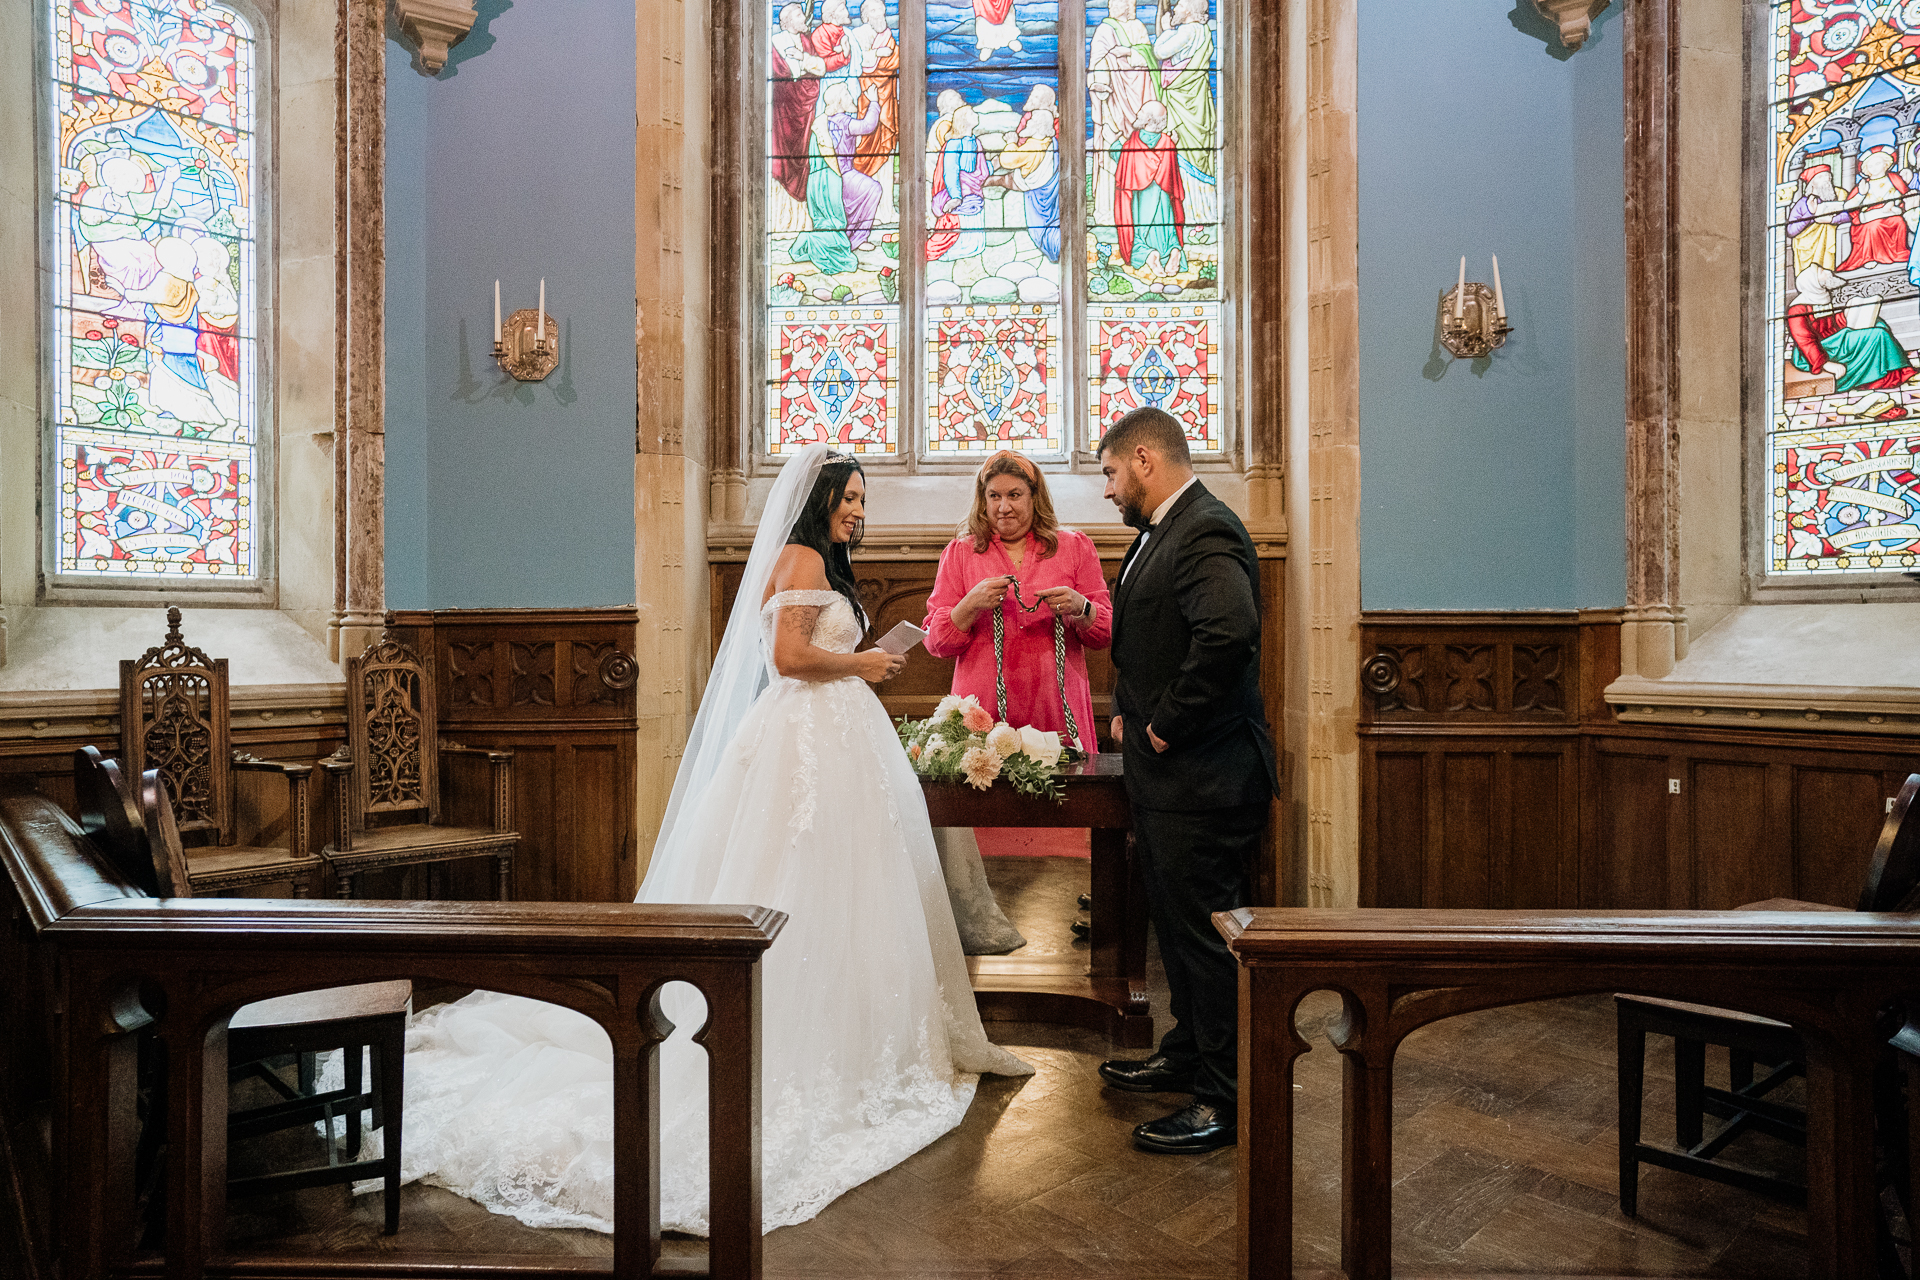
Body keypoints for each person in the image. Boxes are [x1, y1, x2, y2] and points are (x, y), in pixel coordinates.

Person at [379, 445, 1033, 1234]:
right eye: (849, 498)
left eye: (863, 499)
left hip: (840, 737)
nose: (859, 511)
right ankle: (791, 1038)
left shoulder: (824, 561)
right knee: (792, 877)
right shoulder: (797, 555)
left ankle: (864, 1034)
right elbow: (788, 657)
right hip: (805, 740)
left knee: (851, 887)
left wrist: (869, 658)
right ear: (818, 499)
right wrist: (861, 660)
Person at [1095, 406, 1277, 1156]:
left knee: (1206, 941)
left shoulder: (1203, 526)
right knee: (1176, 928)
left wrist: (1163, 723)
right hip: (1175, 776)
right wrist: (1127, 711)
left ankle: (1225, 1100)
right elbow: (1157, 638)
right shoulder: (1159, 532)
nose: (1107, 490)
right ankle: (1190, 1051)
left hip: (1205, 776)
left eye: (1109, 473)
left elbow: (1228, 633)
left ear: (1144, 458)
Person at [922, 451, 1113, 953]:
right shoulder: (961, 553)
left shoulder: (1073, 547)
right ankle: (977, 934)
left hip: (1055, 710)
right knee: (984, 830)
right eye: (994, 497)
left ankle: (1076, 935)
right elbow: (937, 642)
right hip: (981, 718)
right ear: (981, 501)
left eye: (1015, 495)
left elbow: (1105, 629)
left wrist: (1079, 607)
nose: (1003, 507)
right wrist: (966, 608)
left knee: (1067, 824)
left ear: (1035, 497)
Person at [1787, 264, 1917, 408]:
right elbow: (1805, 340)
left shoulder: (1820, 298)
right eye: (1822, 271)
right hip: (1815, 354)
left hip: (1834, 341)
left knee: (1878, 325)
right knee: (1877, 335)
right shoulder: (1797, 309)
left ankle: (1896, 372)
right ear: (1813, 282)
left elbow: (1830, 324)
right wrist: (1826, 363)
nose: (1828, 271)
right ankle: (1891, 375)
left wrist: (1846, 315)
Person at [1111, 98, 1186, 278]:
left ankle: (1148, 254)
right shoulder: (1167, 143)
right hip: (1163, 199)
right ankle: (1173, 250)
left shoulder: (1132, 144)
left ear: (1148, 121)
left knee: (1139, 232)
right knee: (1168, 227)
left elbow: (1124, 163)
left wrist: (1113, 144)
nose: (1137, 114)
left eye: (1141, 113)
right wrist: (1173, 143)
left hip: (1140, 200)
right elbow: (1171, 174)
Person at [1835, 146, 1911, 272]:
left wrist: (1894, 203)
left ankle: (1896, 254)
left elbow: (1902, 196)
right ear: (1866, 169)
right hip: (1869, 218)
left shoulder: (1894, 179)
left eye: (1877, 163)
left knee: (1899, 222)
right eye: (1870, 165)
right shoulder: (1864, 184)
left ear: (1886, 164)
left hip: (1890, 214)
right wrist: (1861, 194)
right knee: (1873, 226)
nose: (1874, 167)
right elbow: (1848, 206)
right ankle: (1870, 257)